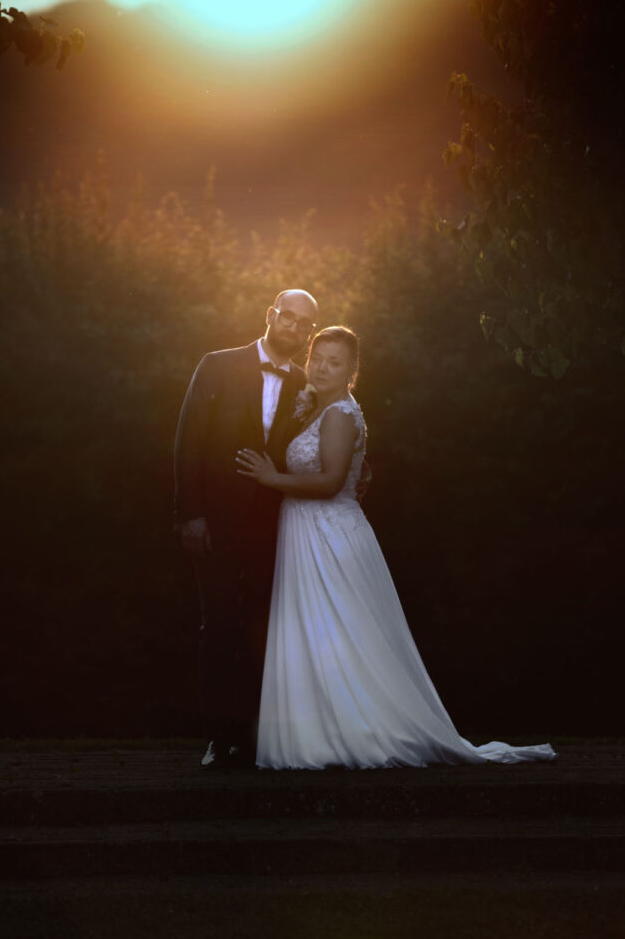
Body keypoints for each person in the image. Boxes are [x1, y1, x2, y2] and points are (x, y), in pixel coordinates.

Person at [237, 326, 556, 769]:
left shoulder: (338, 414)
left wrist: (273, 479)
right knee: (320, 636)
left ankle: (356, 733)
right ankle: (324, 732)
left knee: (343, 636)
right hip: (308, 532)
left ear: (353, 370)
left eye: (335, 362)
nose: (323, 368)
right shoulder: (319, 408)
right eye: (318, 359)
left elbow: (330, 482)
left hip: (329, 536)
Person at [174, 289, 319, 768]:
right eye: (288, 318)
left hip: (275, 525)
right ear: (270, 315)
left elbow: (318, 445)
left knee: (263, 630)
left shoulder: (306, 384)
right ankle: (218, 737)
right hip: (214, 520)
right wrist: (191, 513)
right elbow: (189, 440)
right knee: (217, 625)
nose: (294, 330)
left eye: (304, 325)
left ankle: (255, 738)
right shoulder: (216, 365)